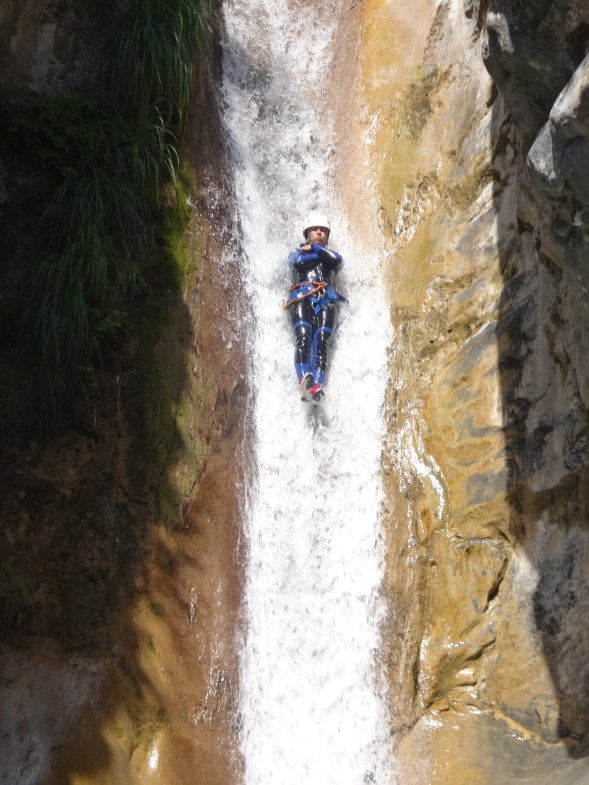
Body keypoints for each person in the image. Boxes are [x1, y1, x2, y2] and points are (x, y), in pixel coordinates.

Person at [284, 212, 344, 405]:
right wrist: (316, 252)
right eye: (315, 230)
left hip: (326, 299)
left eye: (323, 230)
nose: (319, 232)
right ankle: (304, 380)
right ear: (307, 232)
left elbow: (336, 261)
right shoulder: (298, 253)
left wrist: (316, 248)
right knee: (303, 336)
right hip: (301, 296)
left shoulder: (329, 255)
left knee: (322, 340)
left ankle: (317, 386)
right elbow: (297, 263)